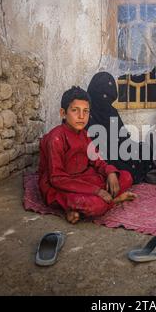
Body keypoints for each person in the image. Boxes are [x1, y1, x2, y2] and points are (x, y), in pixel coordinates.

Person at [38, 86, 136, 224]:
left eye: (85, 111)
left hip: (83, 179)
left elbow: (97, 160)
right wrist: (97, 191)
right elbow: (57, 178)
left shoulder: (84, 135)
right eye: (75, 110)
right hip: (61, 186)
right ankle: (114, 200)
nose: (81, 116)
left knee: (126, 177)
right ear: (63, 113)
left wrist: (110, 173)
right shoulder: (56, 138)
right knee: (94, 205)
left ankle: (77, 209)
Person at [86, 71, 153, 184]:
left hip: (119, 150)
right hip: (100, 157)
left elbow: (123, 137)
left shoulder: (111, 111)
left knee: (145, 149)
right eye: (102, 96)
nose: (105, 101)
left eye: (109, 98)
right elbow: (90, 147)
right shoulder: (86, 114)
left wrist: (128, 149)